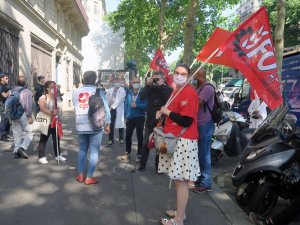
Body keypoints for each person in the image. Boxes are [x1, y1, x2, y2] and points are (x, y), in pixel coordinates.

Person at [158, 64, 200, 225]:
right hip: (178, 140)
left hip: (184, 141)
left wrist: (168, 112)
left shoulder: (188, 92)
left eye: (183, 74)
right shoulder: (178, 90)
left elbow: (187, 120)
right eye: (176, 73)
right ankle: (180, 213)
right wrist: (163, 112)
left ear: (189, 76)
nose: (179, 75)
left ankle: (178, 220)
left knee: (181, 181)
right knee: (178, 180)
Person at [72, 71, 111, 185]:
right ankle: (89, 177)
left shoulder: (75, 92)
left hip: (80, 124)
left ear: (83, 79)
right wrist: (108, 123)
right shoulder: (99, 91)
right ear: (95, 80)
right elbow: (106, 109)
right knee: (94, 152)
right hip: (95, 125)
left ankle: (80, 175)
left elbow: (75, 106)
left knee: (82, 149)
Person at [138, 70, 173, 172]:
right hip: (149, 120)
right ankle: (142, 164)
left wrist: (161, 85)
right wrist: (147, 85)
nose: (155, 81)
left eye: (157, 79)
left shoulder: (167, 88)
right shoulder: (150, 88)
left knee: (160, 145)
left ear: (162, 79)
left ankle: (159, 166)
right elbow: (142, 96)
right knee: (145, 144)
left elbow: (168, 99)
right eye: (154, 79)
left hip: (161, 121)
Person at [192, 68, 215, 193]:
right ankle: (200, 178)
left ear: (201, 76)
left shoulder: (207, 88)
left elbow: (198, 102)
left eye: (195, 76)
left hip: (206, 124)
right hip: (199, 124)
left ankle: (207, 183)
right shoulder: (198, 88)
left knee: (204, 153)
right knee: (199, 153)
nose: (194, 78)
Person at [37, 81, 66, 164]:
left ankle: (58, 155)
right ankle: (41, 156)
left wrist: (58, 117)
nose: (54, 88)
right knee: (44, 139)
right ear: (47, 88)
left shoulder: (57, 97)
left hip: (56, 121)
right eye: (52, 87)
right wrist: (51, 112)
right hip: (47, 122)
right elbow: (43, 108)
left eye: (55, 87)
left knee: (56, 139)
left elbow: (59, 108)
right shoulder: (43, 97)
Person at [120, 77, 147, 162]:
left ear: (140, 83)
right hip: (130, 118)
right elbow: (126, 105)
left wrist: (137, 105)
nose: (136, 83)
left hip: (140, 117)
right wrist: (125, 116)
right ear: (131, 83)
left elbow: (146, 105)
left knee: (140, 137)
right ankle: (127, 152)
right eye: (134, 82)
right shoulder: (129, 93)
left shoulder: (143, 93)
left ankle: (139, 154)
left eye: (137, 82)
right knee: (128, 136)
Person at [11, 76, 33, 159]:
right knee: (29, 132)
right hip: (23, 113)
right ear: (25, 83)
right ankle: (22, 148)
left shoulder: (12, 90)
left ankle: (16, 151)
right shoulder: (27, 91)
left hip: (13, 114)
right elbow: (28, 105)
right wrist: (29, 116)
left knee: (17, 133)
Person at [106, 77, 126, 147]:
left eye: (118, 81)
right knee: (110, 125)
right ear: (113, 82)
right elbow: (107, 98)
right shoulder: (110, 90)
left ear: (120, 82)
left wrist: (111, 107)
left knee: (121, 124)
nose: (116, 82)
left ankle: (121, 139)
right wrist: (107, 107)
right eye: (115, 81)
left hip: (117, 109)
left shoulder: (122, 90)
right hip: (110, 110)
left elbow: (119, 100)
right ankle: (110, 140)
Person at [0, 73, 11, 141]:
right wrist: (9, 92)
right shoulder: (0, 86)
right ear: (1, 78)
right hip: (3, 104)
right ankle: (2, 135)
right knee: (4, 120)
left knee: (8, 120)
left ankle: (6, 134)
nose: (8, 79)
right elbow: (4, 96)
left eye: (8, 78)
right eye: (6, 78)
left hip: (8, 104)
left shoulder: (6, 85)